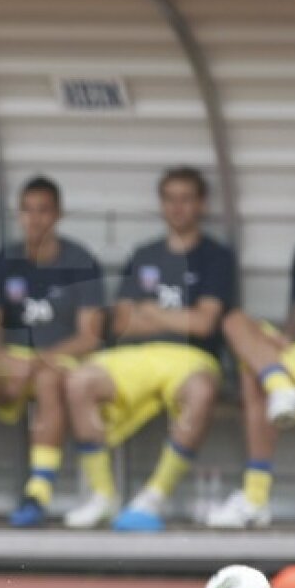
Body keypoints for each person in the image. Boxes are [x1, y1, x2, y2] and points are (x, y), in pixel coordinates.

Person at [66, 166, 237, 531]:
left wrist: (153, 312)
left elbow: (205, 324)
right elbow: (123, 320)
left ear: (201, 204)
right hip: (137, 356)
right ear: (161, 204)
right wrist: (176, 316)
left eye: (186, 199)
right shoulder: (145, 254)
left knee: (203, 390)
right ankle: (102, 495)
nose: (178, 208)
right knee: (79, 380)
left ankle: (154, 496)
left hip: (191, 356)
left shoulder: (216, 257)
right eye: (170, 199)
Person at [0, 176, 105, 528]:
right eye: (28, 211)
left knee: (49, 382)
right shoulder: (5, 259)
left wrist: (38, 361)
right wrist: (6, 360)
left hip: (56, 359)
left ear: (58, 214)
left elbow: (89, 336)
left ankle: (39, 492)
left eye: (43, 210)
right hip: (11, 359)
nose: (35, 219)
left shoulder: (79, 261)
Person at [204, 239, 295, 527]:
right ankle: (281, 387)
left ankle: (255, 497)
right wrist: (283, 339)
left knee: (252, 373)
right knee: (235, 321)